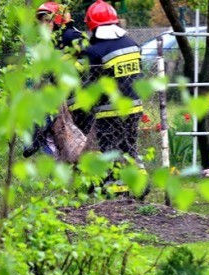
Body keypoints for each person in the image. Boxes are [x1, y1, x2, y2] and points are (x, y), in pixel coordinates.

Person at [76, 0, 146, 194]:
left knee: (111, 149)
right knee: (130, 146)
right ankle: (141, 181)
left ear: (91, 24)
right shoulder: (132, 43)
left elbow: (83, 76)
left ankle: (118, 190)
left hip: (110, 111)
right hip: (134, 105)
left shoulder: (95, 51)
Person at [23, 2, 85, 158]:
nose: (42, 25)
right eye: (41, 21)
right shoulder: (51, 42)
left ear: (57, 19)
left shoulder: (71, 35)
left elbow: (90, 61)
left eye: (46, 20)